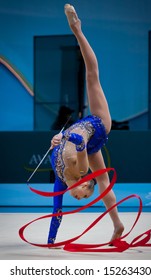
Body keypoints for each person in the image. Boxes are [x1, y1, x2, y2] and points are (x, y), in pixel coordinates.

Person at [47, 4, 124, 245]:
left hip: (85, 134)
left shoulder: (61, 180)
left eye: (81, 199)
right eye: (83, 197)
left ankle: (117, 223)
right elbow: (80, 144)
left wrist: (55, 142)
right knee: (92, 74)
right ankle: (77, 30)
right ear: (83, 184)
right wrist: (67, 139)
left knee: (103, 180)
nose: (79, 199)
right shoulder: (80, 171)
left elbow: (56, 211)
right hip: (97, 125)